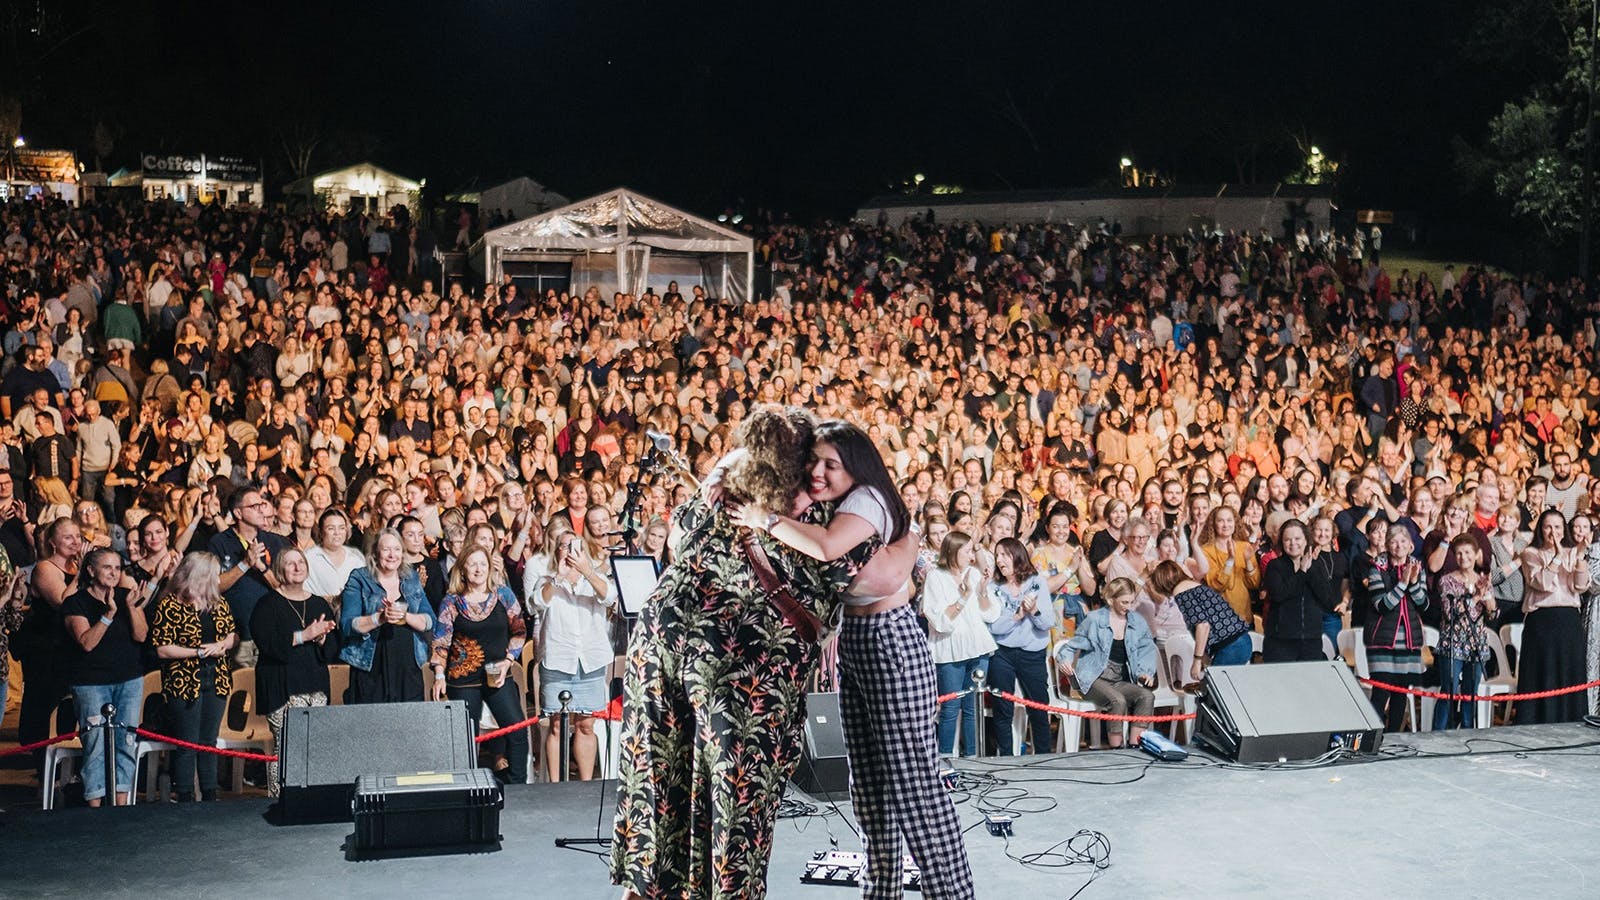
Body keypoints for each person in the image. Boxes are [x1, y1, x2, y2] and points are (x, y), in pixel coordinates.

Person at [612, 407, 891, 898]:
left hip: (657, 643)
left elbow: (677, 540)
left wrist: (724, 469)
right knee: (734, 801)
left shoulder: (720, 491)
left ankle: (646, 889)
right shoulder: (827, 516)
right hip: (742, 668)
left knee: (657, 786)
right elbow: (877, 575)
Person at [730, 417, 972, 900]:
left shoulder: (866, 500)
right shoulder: (841, 501)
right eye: (814, 462)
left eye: (831, 464)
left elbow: (826, 548)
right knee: (868, 784)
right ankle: (880, 890)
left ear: (856, 466)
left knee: (913, 783)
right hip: (862, 640)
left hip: (890, 641)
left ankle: (951, 894)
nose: (819, 472)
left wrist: (765, 519)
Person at [62, 549, 155, 807]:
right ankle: (95, 807)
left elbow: (141, 636)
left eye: (118, 568)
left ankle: (122, 804)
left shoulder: (127, 597)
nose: (114, 573)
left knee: (126, 741)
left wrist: (130, 608)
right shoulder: (75, 603)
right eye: (107, 567)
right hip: (91, 683)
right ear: (91, 571)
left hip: (128, 680)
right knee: (95, 745)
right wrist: (109, 614)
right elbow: (86, 643)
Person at [430, 545, 528, 784]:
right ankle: (467, 788)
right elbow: (441, 641)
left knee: (517, 732)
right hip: (462, 680)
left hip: (498, 674)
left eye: (482, 563)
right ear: (462, 569)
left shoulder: (503, 595)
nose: (478, 569)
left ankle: (517, 786)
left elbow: (520, 630)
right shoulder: (452, 602)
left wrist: (508, 661)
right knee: (465, 740)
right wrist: (439, 675)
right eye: (472, 564)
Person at [529, 522, 614, 782]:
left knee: (586, 724)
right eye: (564, 546)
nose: (569, 550)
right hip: (558, 660)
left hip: (591, 660)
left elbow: (610, 598)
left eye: (575, 545)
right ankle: (555, 786)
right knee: (556, 724)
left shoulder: (597, 579)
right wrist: (559, 578)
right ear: (556, 552)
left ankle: (586, 785)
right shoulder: (547, 581)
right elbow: (536, 604)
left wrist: (587, 572)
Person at [250, 547, 339, 794]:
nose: (298, 567)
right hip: (282, 686)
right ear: (280, 570)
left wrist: (322, 640)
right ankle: (280, 798)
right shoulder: (267, 604)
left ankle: (310, 796)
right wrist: (304, 635)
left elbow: (333, 647)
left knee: (314, 746)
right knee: (286, 747)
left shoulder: (318, 603)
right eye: (291, 564)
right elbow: (267, 643)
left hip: (315, 684)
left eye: (301, 562)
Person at [150, 552, 238, 802]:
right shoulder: (170, 605)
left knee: (208, 740)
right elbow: (163, 648)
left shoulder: (218, 602)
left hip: (217, 676)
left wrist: (222, 644)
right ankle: (185, 793)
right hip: (184, 679)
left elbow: (232, 634)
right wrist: (198, 652)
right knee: (188, 742)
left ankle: (210, 792)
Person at [920, 530, 999, 757]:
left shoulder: (973, 574)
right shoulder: (936, 577)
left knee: (972, 707)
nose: (971, 556)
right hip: (949, 649)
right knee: (950, 707)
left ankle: (973, 757)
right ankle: (944, 759)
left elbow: (990, 614)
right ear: (953, 552)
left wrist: (983, 590)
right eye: (967, 551)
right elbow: (940, 621)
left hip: (978, 647)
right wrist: (963, 597)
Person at [1057, 577, 1158, 748]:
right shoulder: (1095, 619)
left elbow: (1147, 648)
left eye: (1131, 602)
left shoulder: (1136, 621)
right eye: (1124, 602)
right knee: (1118, 701)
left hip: (1118, 679)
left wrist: (1146, 671)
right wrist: (1065, 662)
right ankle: (1116, 749)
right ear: (1111, 600)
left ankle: (1135, 747)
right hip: (1093, 678)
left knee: (1146, 696)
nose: (1128, 606)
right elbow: (1070, 646)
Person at [17, 516, 81, 773]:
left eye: (77, 536)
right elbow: (63, 603)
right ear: (53, 543)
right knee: (43, 710)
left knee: (67, 713)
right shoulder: (45, 568)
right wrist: (83, 571)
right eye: (68, 537)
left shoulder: (79, 568)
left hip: (70, 649)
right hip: (46, 651)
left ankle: (67, 772)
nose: (75, 542)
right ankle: (44, 773)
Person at [339, 529, 433, 704]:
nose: (392, 555)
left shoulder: (410, 577)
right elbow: (347, 625)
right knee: (373, 726)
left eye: (397, 549)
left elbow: (429, 621)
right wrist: (379, 619)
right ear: (375, 552)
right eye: (386, 549)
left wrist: (406, 616)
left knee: (409, 724)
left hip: (408, 666)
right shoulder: (359, 578)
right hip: (370, 667)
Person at [982, 536, 1057, 756]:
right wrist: (1017, 615)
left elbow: (1047, 623)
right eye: (997, 555)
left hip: (1032, 653)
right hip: (1002, 653)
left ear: (1017, 555)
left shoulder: (1036, 582)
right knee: (1002, 708)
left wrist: (1033, 611)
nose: (1000, 560)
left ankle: (1043, 757)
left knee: (1038, 708)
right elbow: (994, 626)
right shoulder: (994, 587)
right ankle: (1005, 758)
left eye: (1004, 554)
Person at [1517, 510, 1590, 724]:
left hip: (1568, 620)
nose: (1553, 532)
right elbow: (1542, 583)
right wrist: (1557, 557)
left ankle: (1571, 719)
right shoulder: (1530, 553)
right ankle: (1537, 719)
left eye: (1558, 527)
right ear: (1541, 529)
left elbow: (1579, 586)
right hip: (1542, 621)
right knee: (1543, 672)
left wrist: (1579, 557)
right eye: (1548, 527)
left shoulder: (1572, 552)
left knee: (1569, 672)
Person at [1363, 528, 1429, 732]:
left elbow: (1424, 604)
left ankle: (1393, 736)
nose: (1398, 546)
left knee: (1401, 691)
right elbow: (1381, 605)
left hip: (1408, 639)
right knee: (1381, 690)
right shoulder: (1377, 568)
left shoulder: (1418, 567)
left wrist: (1415, 583)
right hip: (1382, 638)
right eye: (1393, 541)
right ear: (1386, 545)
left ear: (1411, 545)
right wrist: (1402, 584)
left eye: (1403, 541)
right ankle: (1373, 735)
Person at [1146, 560, 1253, 682]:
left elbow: (1203, 625)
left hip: (1231, 646)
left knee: (1215, 692)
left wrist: (1196, 661)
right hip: (1243, 641)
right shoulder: (1194, 586)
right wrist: (1205, 660)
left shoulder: (1180, 591)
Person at [1432, 535, 1496, 729]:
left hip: (1476, 642)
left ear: (1476, 554)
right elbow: (1450, 613)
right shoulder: (1447, 580)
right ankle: (1438, 733)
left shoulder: (1483, 580)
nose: (1463, 557)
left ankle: (1468, 732)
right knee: (1448, 689)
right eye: (1459, 553)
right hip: (1453, 642)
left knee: (1471, 692)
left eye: (1467, 552)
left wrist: (1488, 600)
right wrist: (1475, 598)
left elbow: (1492, 614)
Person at [1261, 519, 1339, 662]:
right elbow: (1279, 595)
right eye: (1287, 540)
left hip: (1311, 638)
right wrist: (1302, 571)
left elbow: (1328, 600)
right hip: (1281, 639)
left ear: (1305, 540)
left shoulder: (1316, 565)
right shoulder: (1275, 566)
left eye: (1297, 539)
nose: (1293, 543)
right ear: (1282, 543)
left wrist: (1310, 570)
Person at [304, 508, 362, 604]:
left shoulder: (356, 559)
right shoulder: (308, 558)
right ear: (321, 532)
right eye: (331, 528)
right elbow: (300, 592)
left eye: (342, 528)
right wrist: (329, 600)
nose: (337, 533)